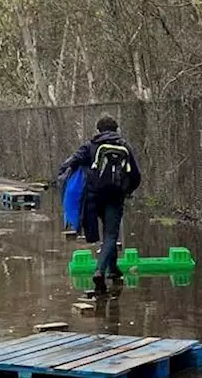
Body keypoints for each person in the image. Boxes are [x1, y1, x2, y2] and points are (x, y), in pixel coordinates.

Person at [57, 115, 141, 294]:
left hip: (93, 196)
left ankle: (113, 269)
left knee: (107, 234)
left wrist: (63, 177)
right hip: (115, 197)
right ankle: (100, 271)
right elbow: (135, 175)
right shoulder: (124, 146)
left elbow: (71, 162)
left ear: (98, 130)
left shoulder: (90, 145)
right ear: (116, 129)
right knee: (111, 234)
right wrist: (127, 191)